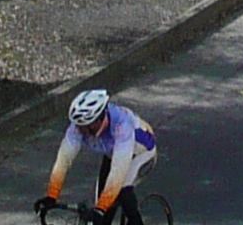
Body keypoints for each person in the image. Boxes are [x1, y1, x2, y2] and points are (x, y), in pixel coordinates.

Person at [37, 88, 155, 225]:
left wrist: (101, 208)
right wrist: (52, 196)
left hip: (141, 153)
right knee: (101, 209)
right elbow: (63, 160)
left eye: (86, 127)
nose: (81, 131)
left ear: (99, 119)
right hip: (113, 154)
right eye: (79, 126)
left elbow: (118, 173)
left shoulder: (122, 126)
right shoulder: (79, 127)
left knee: (122, 191)